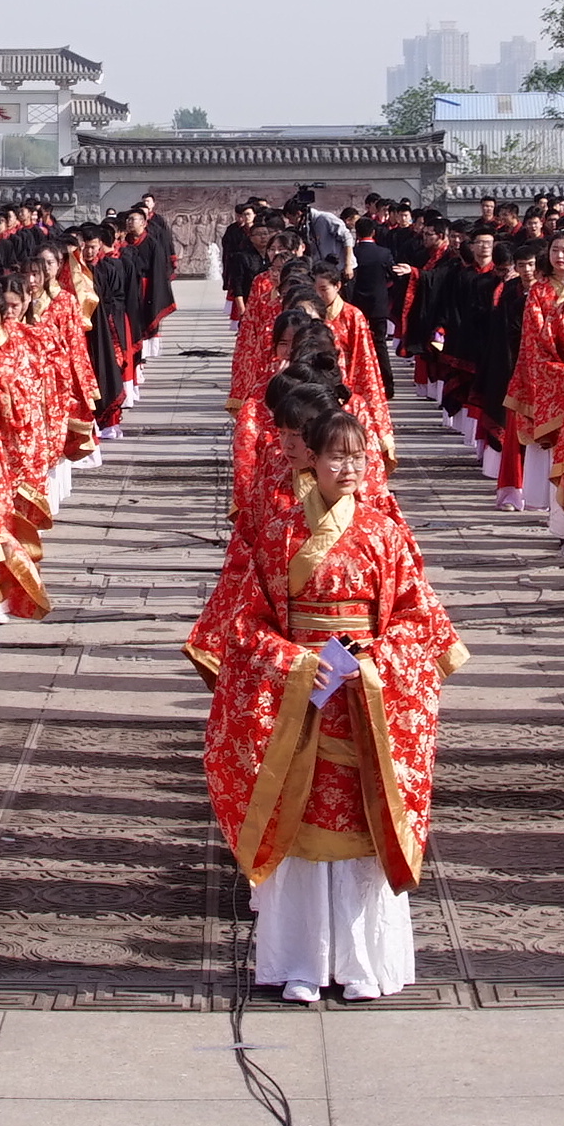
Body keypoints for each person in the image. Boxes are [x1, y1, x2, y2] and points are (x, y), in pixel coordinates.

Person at [200, 373, 452, 1002]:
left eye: (359, 456)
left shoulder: (385, 533)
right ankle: (301, 963)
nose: (350, 466)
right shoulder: (277, 528)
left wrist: (372, 662)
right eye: (337, 455)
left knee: (363, 831)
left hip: (364, 696)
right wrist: (293, 663)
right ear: (311, 457)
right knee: (299, 829)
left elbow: (416, 620)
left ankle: (366, 964)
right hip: (300, 695)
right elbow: (243, 616)